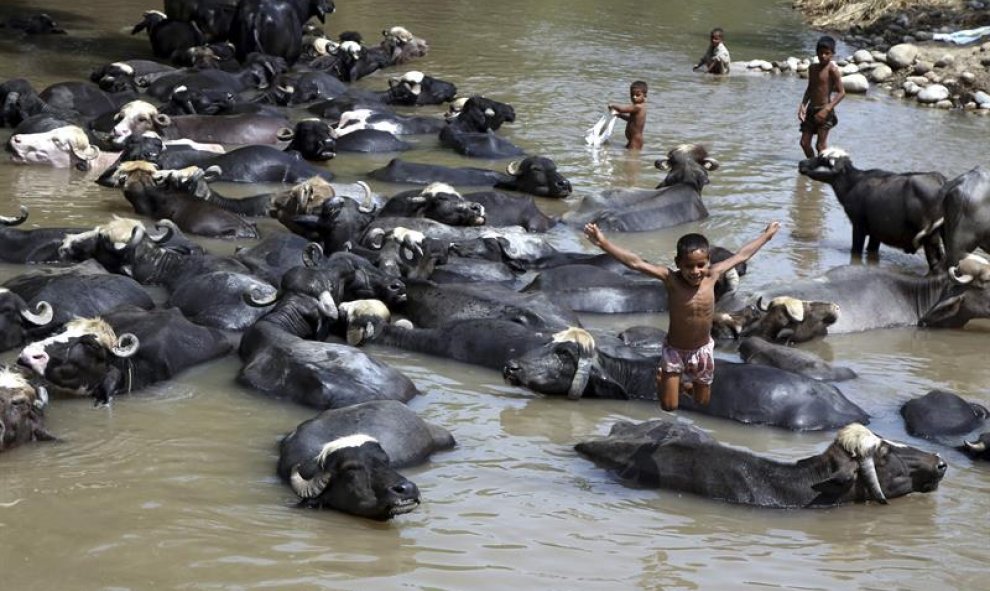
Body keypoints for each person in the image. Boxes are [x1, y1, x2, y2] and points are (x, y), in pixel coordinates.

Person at [583, 221, 781, 411]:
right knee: (669, 406)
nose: (695, 271)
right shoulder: (671, 280)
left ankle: (681, 385)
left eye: (700, 265)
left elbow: (741, 255)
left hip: (703, 350)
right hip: (675, 351)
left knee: (701, 400)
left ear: (708, 262)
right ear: (678, 263)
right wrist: (603, 242)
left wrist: (766, 236)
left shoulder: (712, 275)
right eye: (688, 266)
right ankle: (664, 379)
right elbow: (635, 262)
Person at [798, 35, 846, 158]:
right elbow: (810, 88)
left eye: (827, 53)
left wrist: (827, 109)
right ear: (816, 53)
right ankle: (813, 165)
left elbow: (841, 93)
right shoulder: (812, 68)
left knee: (820, 145)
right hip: (811, 111)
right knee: (804, 143)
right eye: (820, 53)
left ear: (832, 54)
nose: (823, 56)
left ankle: (824, 169)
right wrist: (803, 105)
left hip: (825, 111)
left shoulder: (832, 70)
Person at [608, 80, 647, 150]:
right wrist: (619, 115)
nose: (634, 97)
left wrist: (612, 105)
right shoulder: (637, 107)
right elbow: (631, 119)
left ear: (645, 95)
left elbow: (622, 109)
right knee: (628, 157)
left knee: (632, 159)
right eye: (632, 95)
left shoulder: (638, 107)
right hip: (632, 140)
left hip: (635, 141)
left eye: (637, 95)